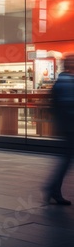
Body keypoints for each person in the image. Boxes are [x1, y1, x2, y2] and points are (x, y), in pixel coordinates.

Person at [44, 53, 74, 205]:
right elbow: (69, 107)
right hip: (69, 128)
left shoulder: (62, 81)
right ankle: (51, 188)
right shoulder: (68, 82)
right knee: (66, 160)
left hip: (65, 127)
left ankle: (52, 188)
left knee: (66, 159)